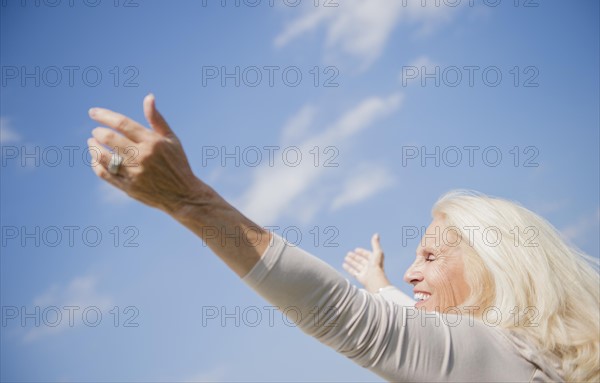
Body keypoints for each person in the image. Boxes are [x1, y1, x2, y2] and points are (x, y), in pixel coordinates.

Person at [87, 94, 599, 382]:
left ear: (498, 266)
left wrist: (189, 201)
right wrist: (378, 281)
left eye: (430, 256)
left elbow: (343, 316)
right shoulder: (535, 359)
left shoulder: (499, 355)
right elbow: (399, 313)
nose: (411, 270)